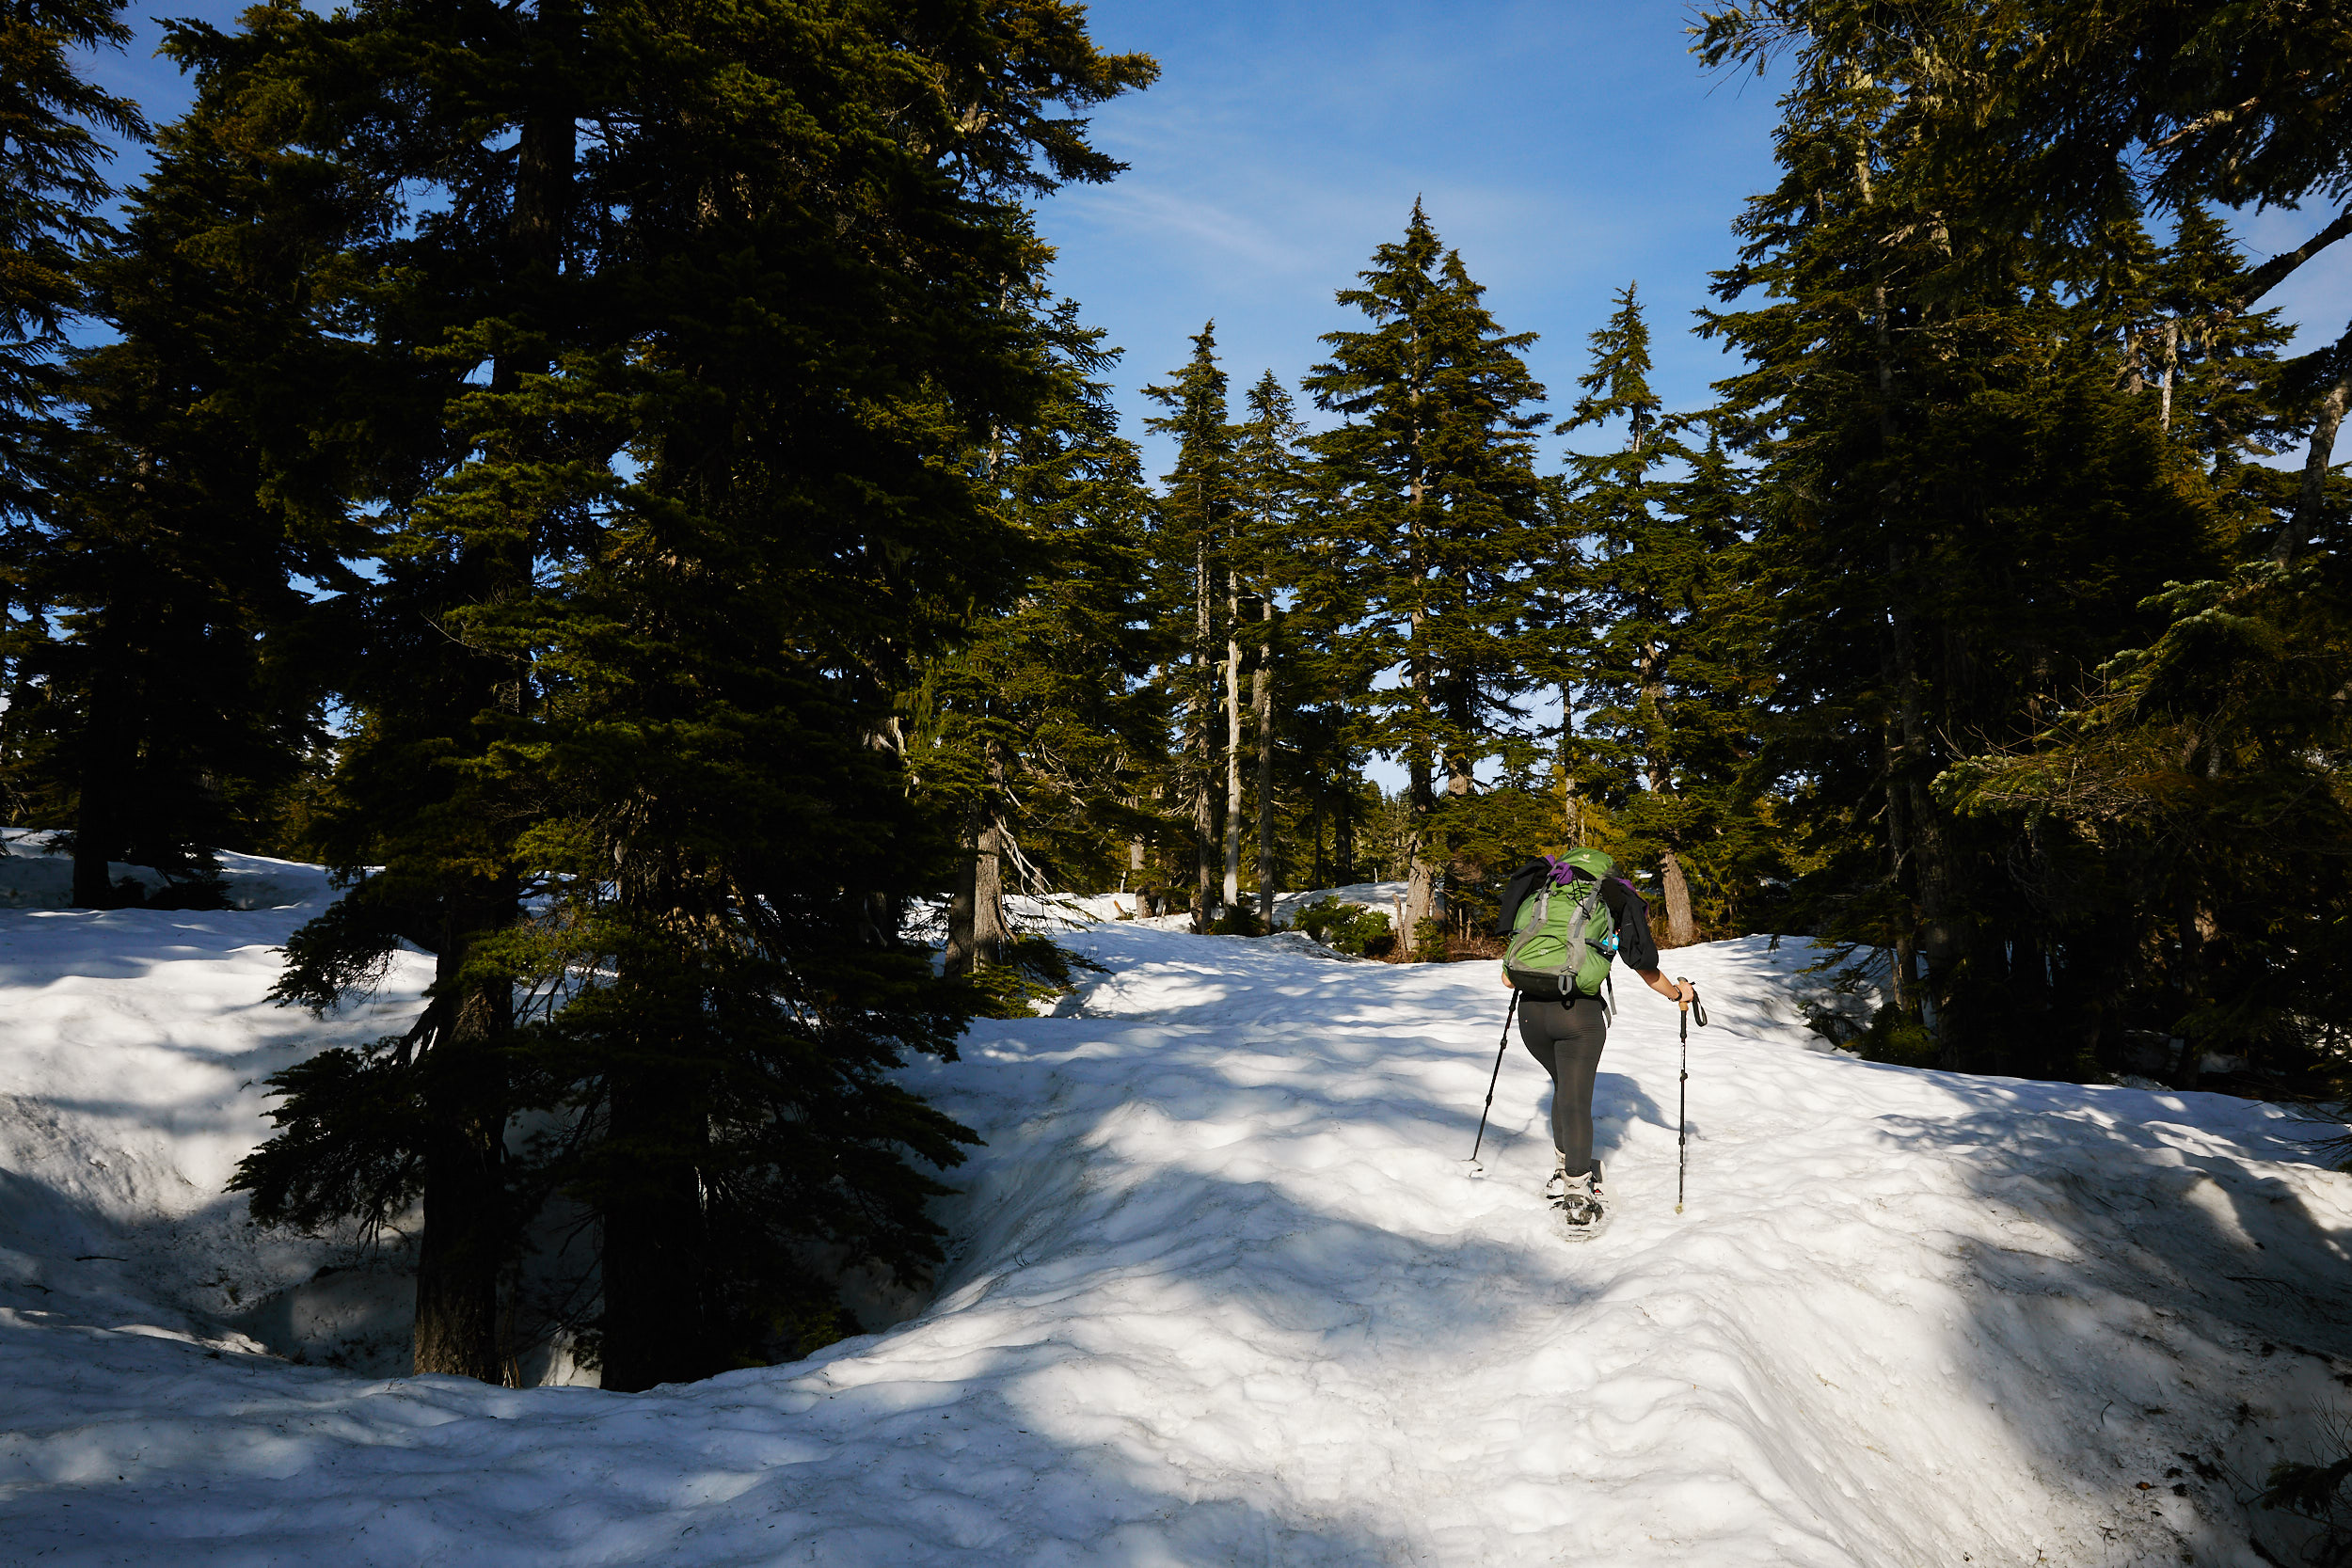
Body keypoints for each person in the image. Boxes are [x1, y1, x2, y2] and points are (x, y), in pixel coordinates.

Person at [1490, 847, 1694, 1225]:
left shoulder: (1542, 895)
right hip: (1578, 1017)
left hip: (1531, 1017)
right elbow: (1644, 966)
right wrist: (1679, 993)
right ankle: (1578, 1192)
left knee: (1562, 1088)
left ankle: (1562, 1169)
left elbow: (1507, 977)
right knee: (1576, 1097)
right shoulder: (1612, 898)